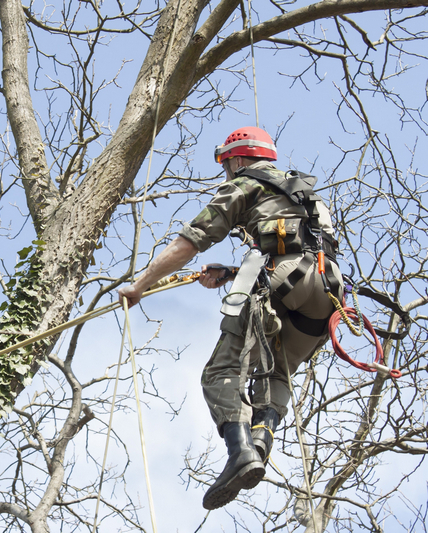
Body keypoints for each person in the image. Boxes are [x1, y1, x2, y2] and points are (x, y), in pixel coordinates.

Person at [118, 126, 342, 510]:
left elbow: (189, 243)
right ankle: (260, 439)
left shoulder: (243, 184)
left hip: (285, 282)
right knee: (277, 372)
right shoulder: (305, 194)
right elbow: (296, 250)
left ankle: (240, 454)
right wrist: (230, 272)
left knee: (220, 373)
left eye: (226, 164)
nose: (226, 171)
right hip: (328, 292)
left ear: (237, 159)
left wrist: (139, 286)